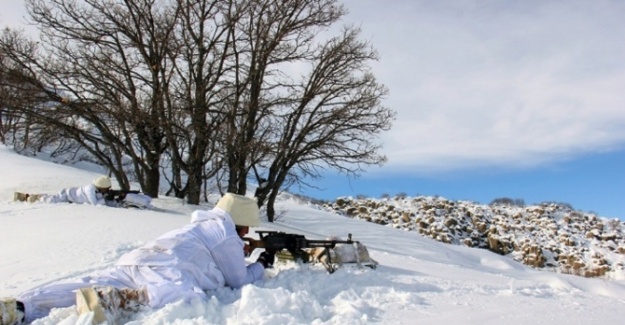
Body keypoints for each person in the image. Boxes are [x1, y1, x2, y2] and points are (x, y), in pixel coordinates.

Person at [0, 193, 275, 325]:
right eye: (246, 227)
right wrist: (261, 264)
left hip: (138, 259)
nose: (247, 233)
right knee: (187, 297)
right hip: (164, 270)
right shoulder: (225, 233)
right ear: (239, 221)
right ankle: (120, 299)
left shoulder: (202, 224)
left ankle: (22, 306)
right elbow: (238, 279)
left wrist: (240, 252)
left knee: (89, 281)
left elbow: (212, 253)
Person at [13, 175, 113, 206]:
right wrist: (105, 198)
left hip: (70, 197)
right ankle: (26, 197)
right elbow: (94, 203)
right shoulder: (90, 189)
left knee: (50, 198)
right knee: (48, 200)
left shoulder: (96, 189)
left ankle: (35, 196)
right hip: (67, 195)